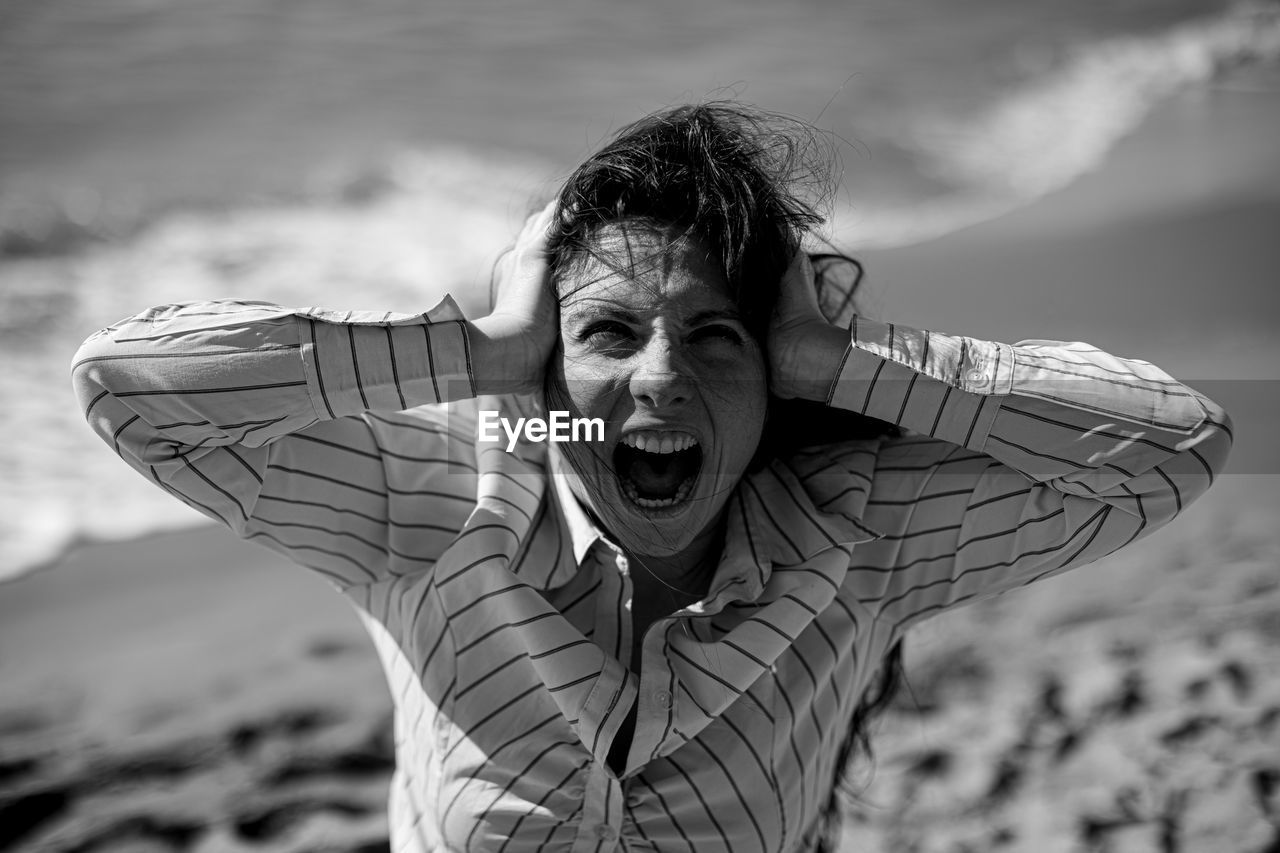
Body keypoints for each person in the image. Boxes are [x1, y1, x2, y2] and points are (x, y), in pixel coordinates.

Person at [72, 103, 1232, 852]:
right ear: (546, 366)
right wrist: (474, 348)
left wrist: (844, 358)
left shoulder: (855, 538)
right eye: (610, 333)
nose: (664, 380)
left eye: (716, 337)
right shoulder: (439, 503)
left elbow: (1171, 447)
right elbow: (128, 387)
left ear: (773, 368)